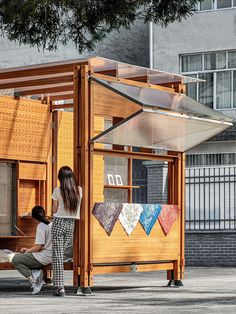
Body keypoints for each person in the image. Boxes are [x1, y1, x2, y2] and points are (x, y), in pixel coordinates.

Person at [51, 166, 82, 297]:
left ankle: (60, 288)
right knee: (63, 255)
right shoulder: (79, 190)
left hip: (58, 222)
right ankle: (61, 285)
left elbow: (54, 208)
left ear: (60, 178)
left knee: (57, 256)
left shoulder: (57, 190)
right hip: (71, 224)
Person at [12, 206, 52, 295]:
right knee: (26, 258)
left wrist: (27, 251)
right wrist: (29, 250)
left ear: (34, 218)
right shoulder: (51, 224)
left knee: (16, 259)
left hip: (44, 257)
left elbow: (39, 247)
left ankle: (35, 277)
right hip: (51, 255)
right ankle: (36, 273)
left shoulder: (41, 226)